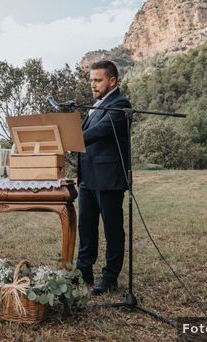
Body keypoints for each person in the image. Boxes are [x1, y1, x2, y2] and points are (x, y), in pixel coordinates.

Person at [76, 59, 131, 295]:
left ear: (112, 81)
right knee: (86, 227)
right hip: (88, 178)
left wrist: (70, 138)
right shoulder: (95, 106)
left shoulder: (121, 104)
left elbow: (99, 131)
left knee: (112, 230)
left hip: (109, 179)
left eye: (97, 80)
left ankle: (110, 277)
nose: (93, 84)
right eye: (91, 80)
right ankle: (83, 271)